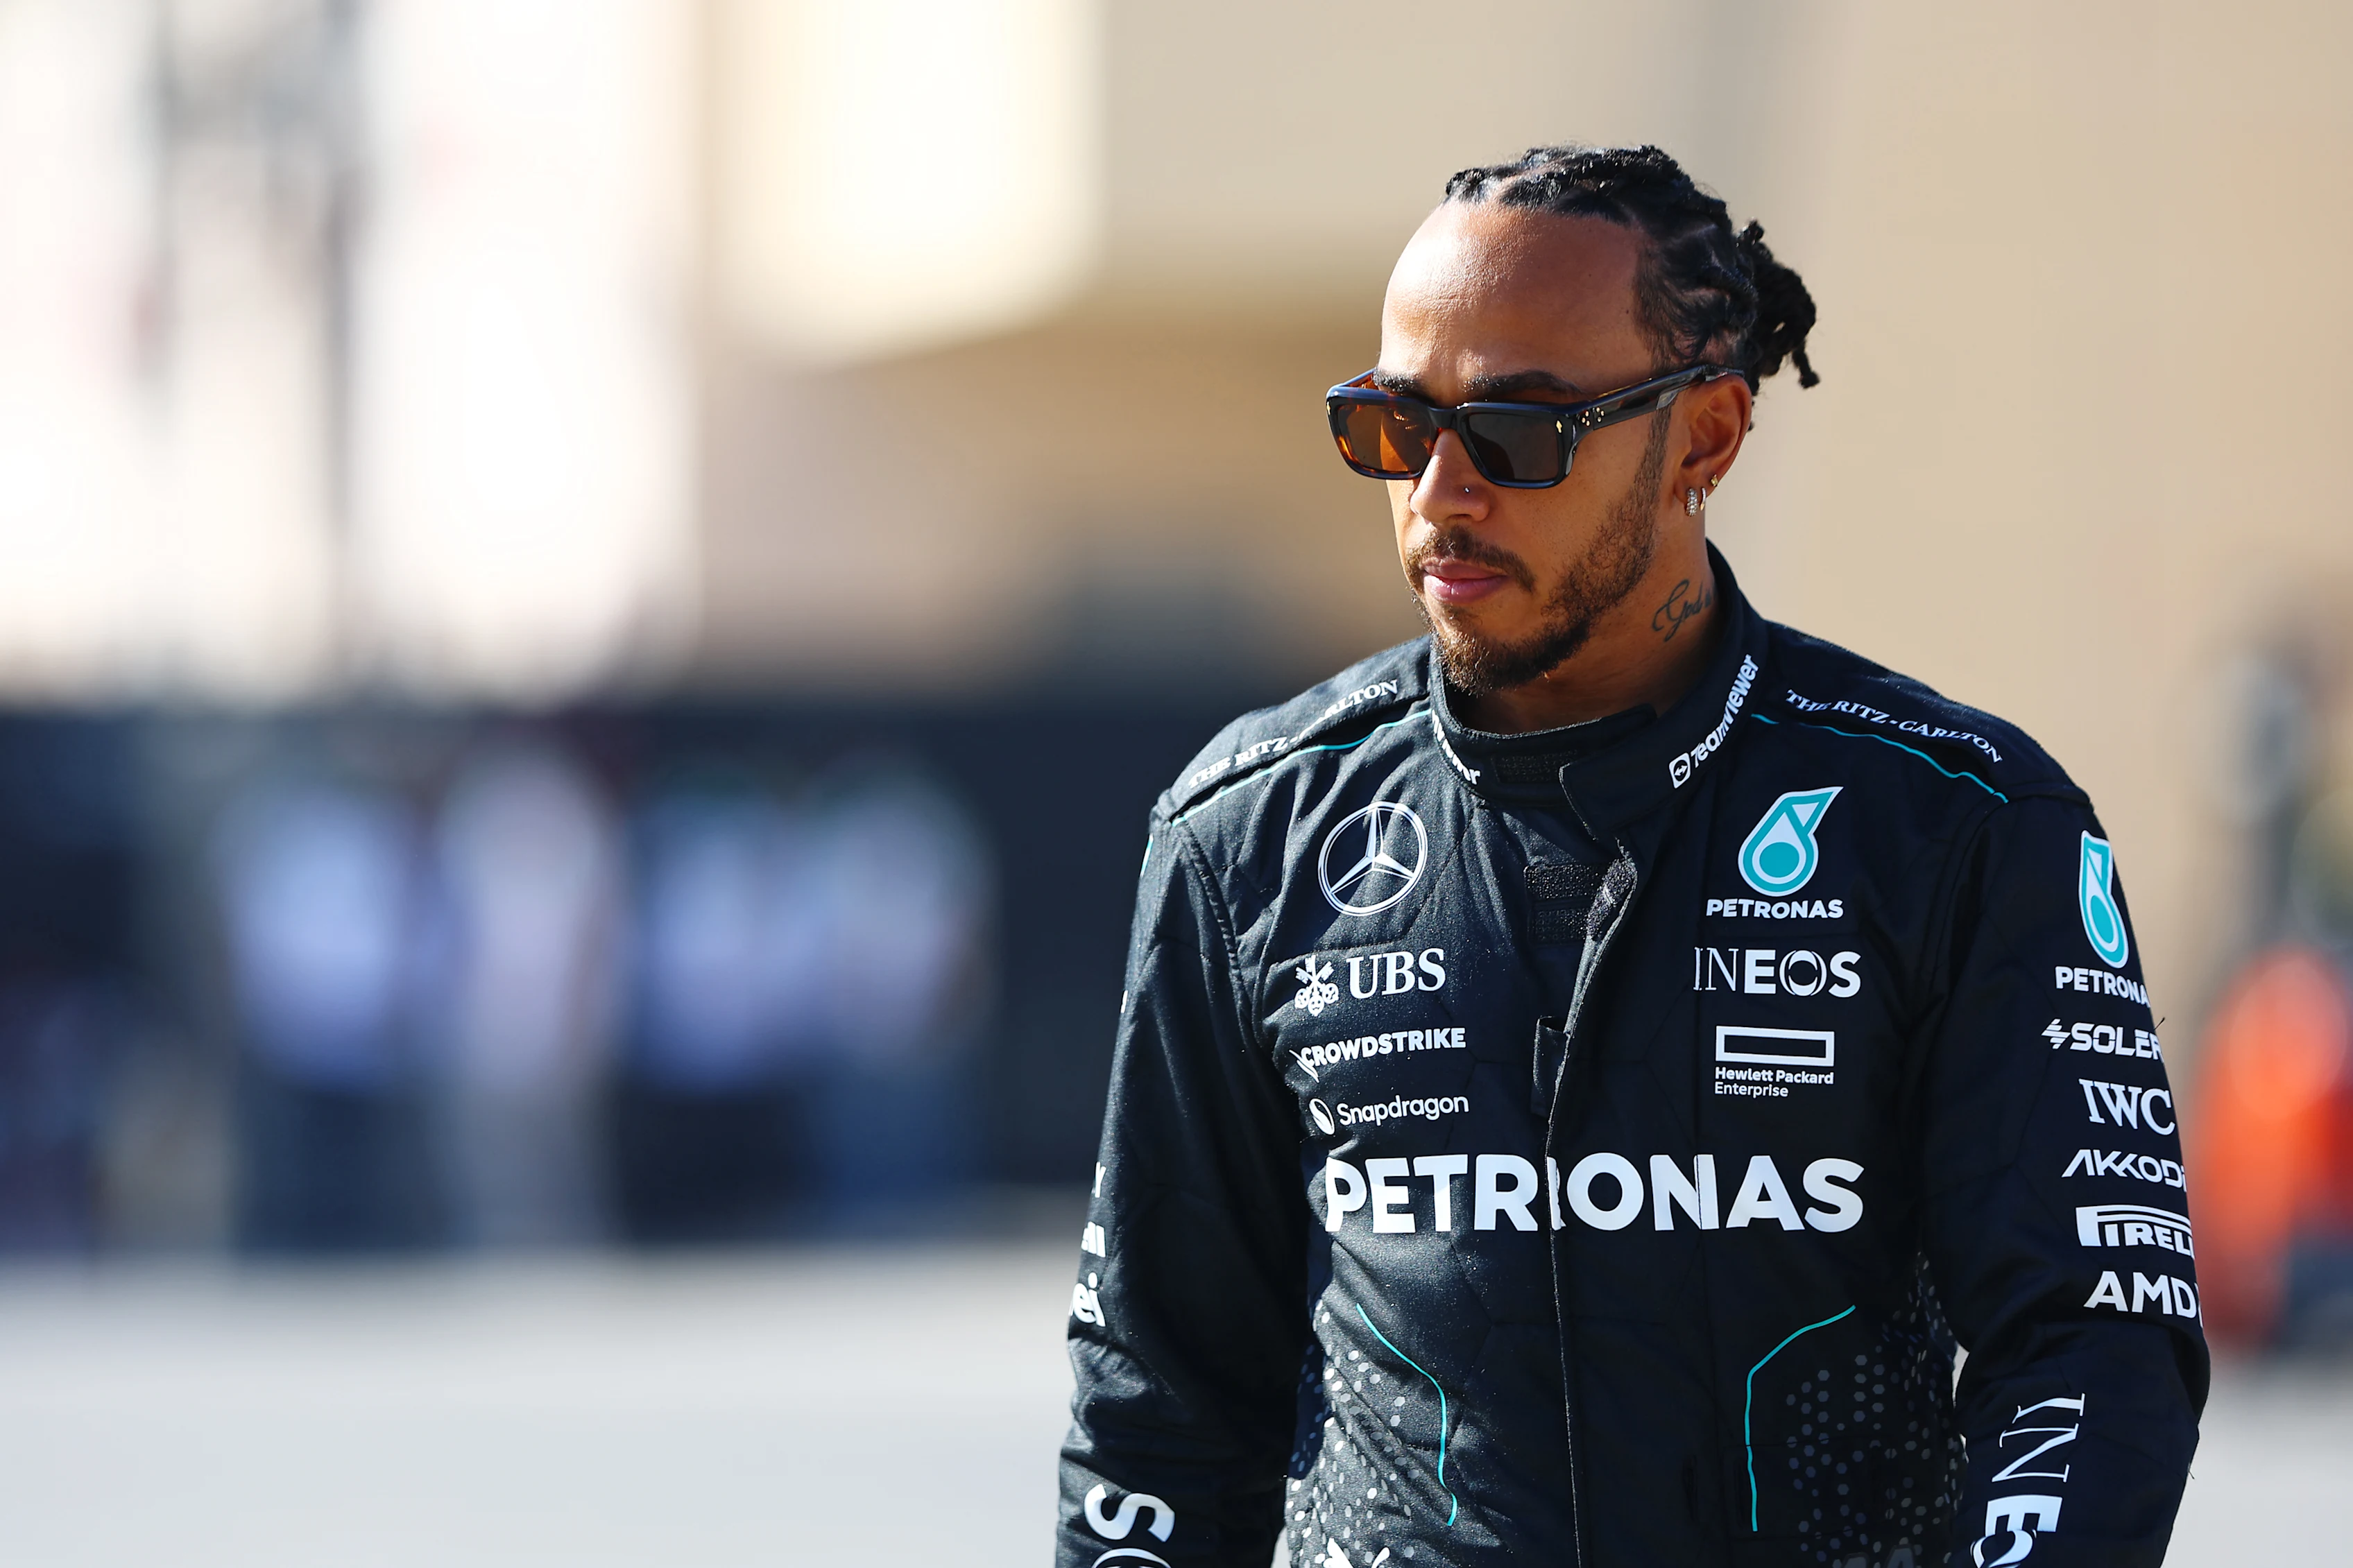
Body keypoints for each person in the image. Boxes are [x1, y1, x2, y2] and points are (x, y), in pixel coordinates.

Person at [1056, 146, 2202, 1568]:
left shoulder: (1957, 820)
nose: (1444, 489)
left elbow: (2090, 1346)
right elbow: (1157, 1407)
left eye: (1521, 431)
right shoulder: (1246, 832)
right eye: (1395, 426)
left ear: (1706, 437)